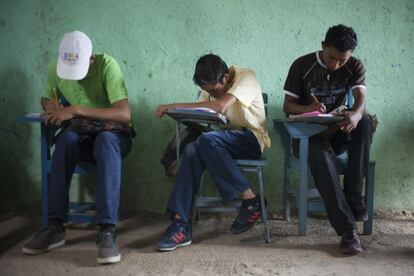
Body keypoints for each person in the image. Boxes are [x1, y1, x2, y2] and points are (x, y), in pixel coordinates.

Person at [22, 31, 133, 264]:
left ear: (91, 59)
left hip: (112, 137)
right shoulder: (57, 67)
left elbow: (124, 114)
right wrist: (49, 104)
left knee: (105, 142)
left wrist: (76, 109)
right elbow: (46, 98)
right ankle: (54, 226)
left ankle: (107, 230)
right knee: (65, 141)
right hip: (80, 135)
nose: (74, 78)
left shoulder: (107, 66)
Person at [154, 54, 271, 251]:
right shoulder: (210, 86)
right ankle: (179, 224)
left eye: (215, 91)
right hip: (221, 143)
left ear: (225, 77)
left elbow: (220, 106)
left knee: (205, 141)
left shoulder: (246, 77)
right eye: (208, 92)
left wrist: (173, 106)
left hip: (250, 140)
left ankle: (251, 201)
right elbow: (206, 113)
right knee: (192, 149)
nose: (212, 95)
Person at [282, 24, 374, 254]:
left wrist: (354, 114)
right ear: (323, 46)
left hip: (335, 131)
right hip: (307, 136)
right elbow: (287, 106)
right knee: (320, 157)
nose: (336, 65)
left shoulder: (354, 65)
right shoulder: (302, 65)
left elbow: (360, 98)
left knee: (364, 122)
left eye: (342, 60)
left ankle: (353, 194)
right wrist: (308, 108)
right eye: (332, 57)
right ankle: (347, 232)